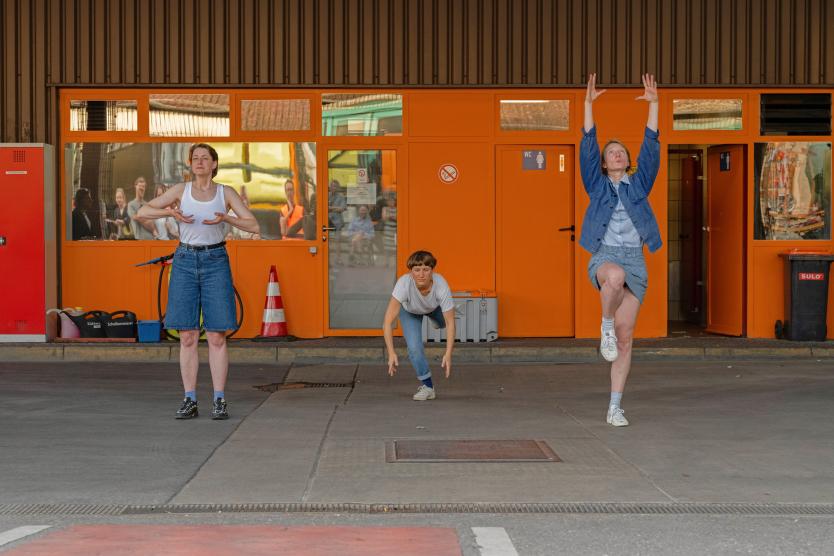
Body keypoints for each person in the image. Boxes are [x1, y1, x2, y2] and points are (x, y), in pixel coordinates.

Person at [137, 143, 260, 420]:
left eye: (205, 158)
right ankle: (189, 398)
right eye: (196, 158)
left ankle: (219, 399)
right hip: (184, 260)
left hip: (216, 260)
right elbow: (142, 212)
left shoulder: (224, 192)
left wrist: (227, 217)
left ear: (214, 164)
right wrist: (170, 212)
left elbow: (253, 225)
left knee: (217, 335)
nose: (200, 162)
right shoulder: (181, 191)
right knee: (188, 334)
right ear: (190, 164)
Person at [580, 73, 661, 427]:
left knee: (627, 341)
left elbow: (652, 147)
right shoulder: (596, 186)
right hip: (606, 254)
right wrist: (588, 105)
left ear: (627, 160)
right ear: (603, 162)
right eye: (610, 152)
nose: (616, 154)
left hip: (636, 262)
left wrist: (654, 105)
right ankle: (605, 324)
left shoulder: (639, 184)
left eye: (621, 152)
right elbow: (586, 144)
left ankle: (615, 406)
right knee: (612, 277)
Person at [382, 250, 456, 401]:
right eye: (416, 270)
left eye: (426, 270)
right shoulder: (403, 284)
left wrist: (448, 354)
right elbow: (387, 323)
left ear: (432, 271)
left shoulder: (441, 285)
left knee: (443, 322)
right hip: (410, 312)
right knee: (414, 349)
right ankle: (428, 387)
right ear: (411, 272)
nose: (421, 274)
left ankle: (435, 322)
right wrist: (391, 353)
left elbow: (450, 323)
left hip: (434, 309)